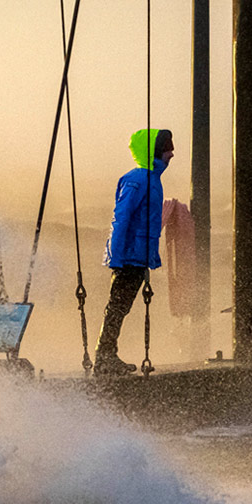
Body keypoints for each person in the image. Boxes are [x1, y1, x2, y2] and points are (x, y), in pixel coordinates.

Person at [94, 128, 173, 376]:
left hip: (138, 257)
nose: (172, 153)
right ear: (155, 152)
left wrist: (150, 258)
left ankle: (107, 355)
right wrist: (115, 256)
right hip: (128, 257)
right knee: (117, 306)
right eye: (167, 148)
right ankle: (104, 356)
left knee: (121, 306)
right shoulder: (137, 180)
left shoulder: (151, 179)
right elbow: (122, 217)